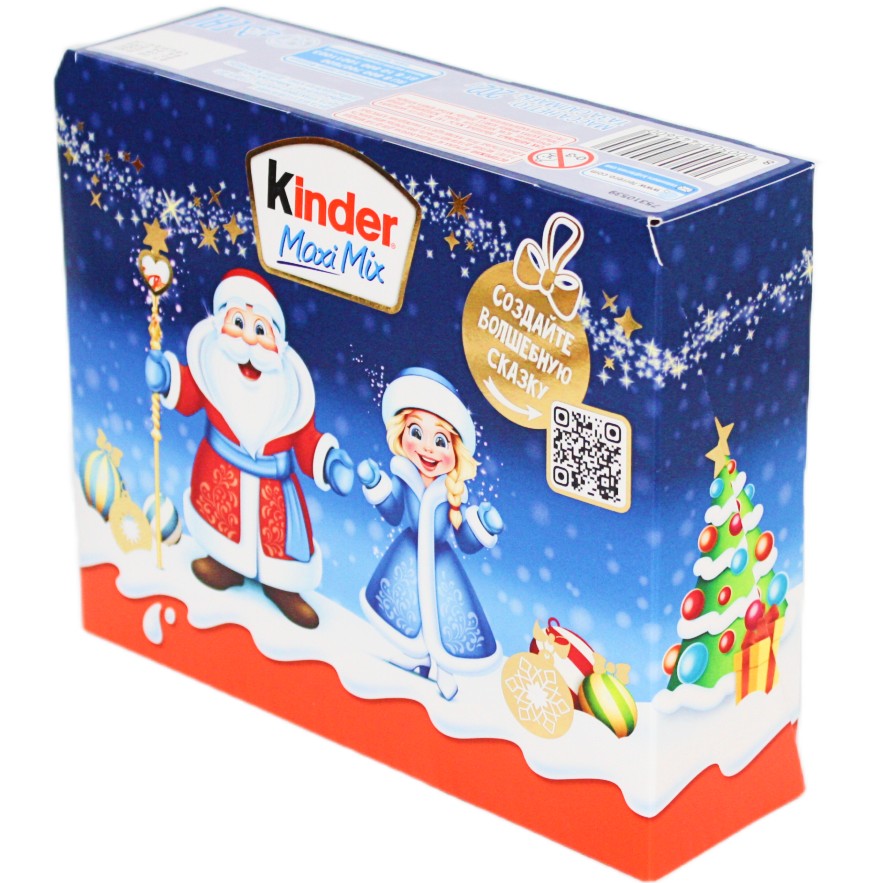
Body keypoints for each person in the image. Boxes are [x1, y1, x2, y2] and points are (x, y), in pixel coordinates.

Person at [145, 268, 354, 628]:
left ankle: (283, 587)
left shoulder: (289, 396)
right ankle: (224, 563)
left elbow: (306, 441)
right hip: (220, 471)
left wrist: (329, 463)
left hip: (274, 489)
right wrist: (167, 378)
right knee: (221, 527)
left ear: (278, 344)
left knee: (280, 547)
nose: (248, 343)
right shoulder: (212, 370)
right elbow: (190, 393)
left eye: (261, 331)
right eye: (238, 323)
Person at [357, 368, 503, 700]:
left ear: (455, 451)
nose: (428, 449)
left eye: (440, 441)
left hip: (441, 564)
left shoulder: (452, 493)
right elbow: (394, 512)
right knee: (411, 610)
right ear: (401, 433)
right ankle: (417, 658)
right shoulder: (403, 474)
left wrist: (482, 527)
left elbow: (464, 539)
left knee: (444, 617)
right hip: (408, 554)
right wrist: (376, 486)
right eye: (416, 432)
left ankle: (444, 669)